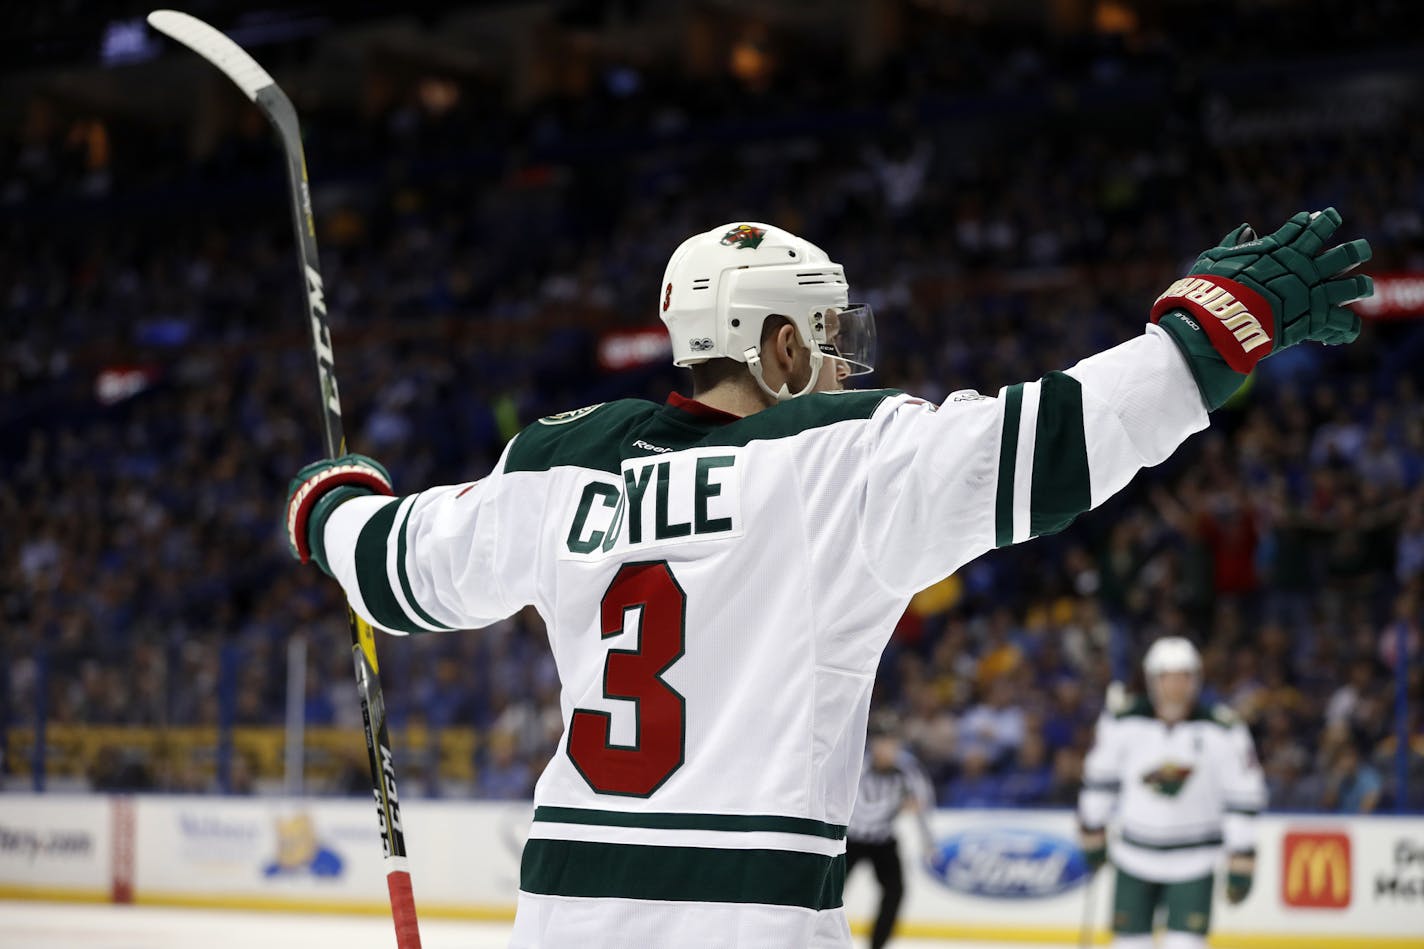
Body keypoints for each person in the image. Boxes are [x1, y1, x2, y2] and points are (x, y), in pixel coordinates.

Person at [285, 213, 1369, 947]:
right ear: (777, 348)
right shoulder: (835, 457)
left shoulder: (555, 461)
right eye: (822, 333)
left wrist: (332, 499)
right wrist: (1206, 332)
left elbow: (387, 570)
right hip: (750, 919)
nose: (840, 355)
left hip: (568, 911)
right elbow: (1054, 446)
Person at [1078, 637, 1268, 949]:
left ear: (1196, 679)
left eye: (1184, 677)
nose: (1176, 686)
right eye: (1168, 677)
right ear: (1153, 680)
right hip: (1133, 857)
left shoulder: (1223, 728)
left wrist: (1242, 857)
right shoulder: (1122, 721)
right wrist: (1092, 830)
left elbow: (1244, 796)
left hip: (1195, 860)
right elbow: (1099, 782)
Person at [845, 712, 934, 949]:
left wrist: (928, 842)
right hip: (849, 840)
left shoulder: (908, 771)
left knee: (895, 891)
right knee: (830, 891)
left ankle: (877, 944)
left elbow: (924, 804)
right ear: (872, 743)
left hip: (883, 840)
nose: (886, 748)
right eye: (882, 741)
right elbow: (846, 803)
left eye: (892, 742)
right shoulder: (857, 765)